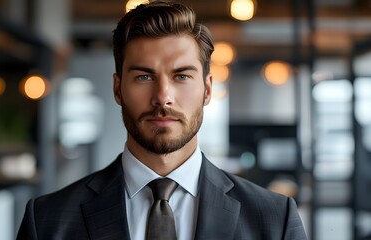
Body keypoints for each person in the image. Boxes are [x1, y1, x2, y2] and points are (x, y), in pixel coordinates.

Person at [17, 1, 307, 239]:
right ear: (118, 89)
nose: (163, 97)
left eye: (181, 76)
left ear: (207, 90)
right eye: (144, 76)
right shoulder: (46, 221)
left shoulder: (273, 219)